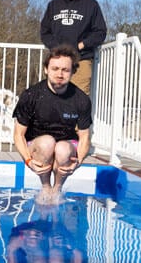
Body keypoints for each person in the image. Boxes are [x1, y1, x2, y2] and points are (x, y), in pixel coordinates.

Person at [13, 46, 93, 203]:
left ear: (73, 72)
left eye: (65, 70)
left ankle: (57, 189)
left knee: (62, 149)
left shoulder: (81, 100)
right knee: (47, 142)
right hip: (38, 145)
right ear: (46, 69)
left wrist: (78, 162)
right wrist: (28, 161)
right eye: (55, 69)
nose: (60, 74)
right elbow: (18, 134)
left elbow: (85, 137)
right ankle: (45, 186)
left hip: (66, 145)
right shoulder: (31, 95)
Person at [40, 0, 107, 95]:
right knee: (53, 96)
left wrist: (81, 45)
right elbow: (44, 32)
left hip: (81, 60)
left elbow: (100, 32)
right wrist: (57, 48)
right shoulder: (53, 5)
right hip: (57, 60)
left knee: (78, 98)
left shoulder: (91, 5)